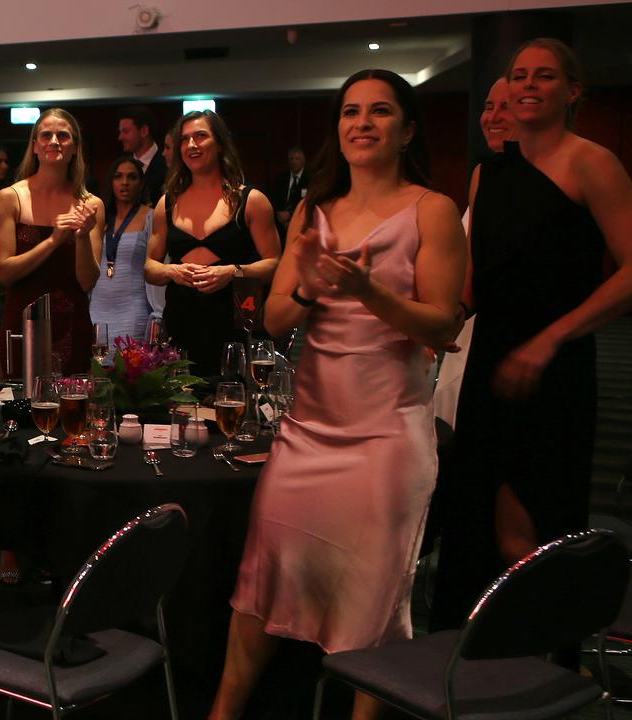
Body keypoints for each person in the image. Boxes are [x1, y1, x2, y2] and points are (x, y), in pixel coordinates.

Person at [208, 69, 466, 720]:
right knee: (263, 580)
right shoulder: (313, 211)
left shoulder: (432, 209)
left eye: (380, 112)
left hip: (386, 435)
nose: (362, 123)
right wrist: (308, 291)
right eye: (351, 112)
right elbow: (272, 322)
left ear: (407, 130)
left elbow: (443, 323)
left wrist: (369, 293)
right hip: (308, 431)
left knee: (372, 600)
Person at [431, 39, 632, 634]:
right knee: (475, 513)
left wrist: (549, 339)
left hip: (554, 367)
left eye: (546, 75)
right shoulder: (487, 173)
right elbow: (476, 277)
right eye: (519, 75)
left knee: (530, 524)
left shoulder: (592, 162)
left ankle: (543, 661)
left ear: (573, 91)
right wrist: (441, 321)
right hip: (489, 363)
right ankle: (471, 658)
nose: (528, 85)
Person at [143, 110, 280, 378]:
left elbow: (275, 264)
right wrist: (172, 271)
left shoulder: (250, 200)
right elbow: (150, 268)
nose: (191, 145)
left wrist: (233, 272)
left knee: (229, 407)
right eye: (184, 139)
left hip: (233, 327)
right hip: (181, 323)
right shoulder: (167, 203)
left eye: (200, 136)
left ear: (219, 144)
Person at [0, 108, 103, 376]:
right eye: (46, 135)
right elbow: (4, 273)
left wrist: (80, 239)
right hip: (21, 326)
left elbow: (87, 281)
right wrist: (53, 241)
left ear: (75, 147)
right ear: (34, 146)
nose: (54, 141)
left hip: (71, 326)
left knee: (72, 413)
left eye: (63, 136)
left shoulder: (90, 205)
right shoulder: (10, 198)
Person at [432, 77, 514, 429]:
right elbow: (472, 261)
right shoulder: (485, 174)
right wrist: (456, 313)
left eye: (505, 106)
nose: (492, 117)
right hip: (477, 328)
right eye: (487, 106)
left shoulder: (582, 167)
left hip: (530, 334)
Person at [89, 156, 157, 341]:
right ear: (111, 181)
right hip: (97, 306)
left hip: (133, 307)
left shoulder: (150, 217)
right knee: (98, 365)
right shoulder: (100, 216)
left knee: (132, 367)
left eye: (132, 177)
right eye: (118, 176)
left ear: (141, 183)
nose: (124, 182)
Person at [118, 105, 167, 207]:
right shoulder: (121, 166)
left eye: (126, 131)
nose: (120, 137)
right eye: (120, 132)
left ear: (144, 131)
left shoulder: (167, 165)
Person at [270, 146, 308, 245]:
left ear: (303, 160)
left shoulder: (311, 179)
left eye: (297, 159)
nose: (294, 162)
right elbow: (273, 198)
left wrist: (291, 215)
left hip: (301, 220)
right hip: (279, 221)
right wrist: (279, 214)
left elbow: (310, 202)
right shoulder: (281, 178)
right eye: (291, 159)